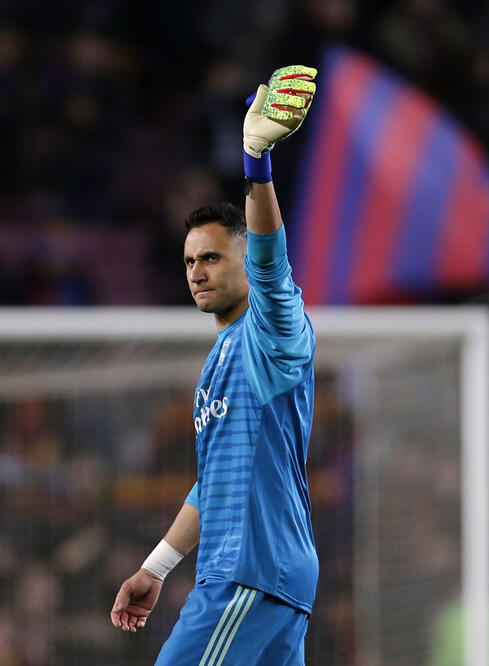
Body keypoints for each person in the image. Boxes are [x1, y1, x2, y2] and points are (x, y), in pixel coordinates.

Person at [110, 65, 319, 665]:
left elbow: (272, 264)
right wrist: (157, 567)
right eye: (189, 261)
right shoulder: (219, 361)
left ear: (244, 260)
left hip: (248, 570)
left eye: (211, 258)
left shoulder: (272, 332)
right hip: (267, 574)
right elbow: (216, 482)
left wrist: (256, 164)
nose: (196, 272)